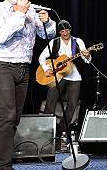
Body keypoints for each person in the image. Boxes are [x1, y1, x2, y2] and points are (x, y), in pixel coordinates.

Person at [0, 0, 56, 170]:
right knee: (6, 116)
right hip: (2, 66)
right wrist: (19, 14)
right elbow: (0, 37)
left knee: (14, 119)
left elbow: (47, 35)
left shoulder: (31, 11)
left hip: (23, 68)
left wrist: (48, 21)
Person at [38, 20, 90, 151]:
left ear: (70, 30)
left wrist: (87, 55)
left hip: (74, 76)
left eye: (67, 30)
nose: (65, 33)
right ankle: (47, 136)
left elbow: (86, 60)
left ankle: (61, 134)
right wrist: (46, 69)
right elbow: (41, 57)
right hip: (57, 76)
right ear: (59, 32)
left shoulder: (77, 42)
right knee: (50, 105)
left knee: (72, 107)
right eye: (62, 31)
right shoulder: (54, 42)